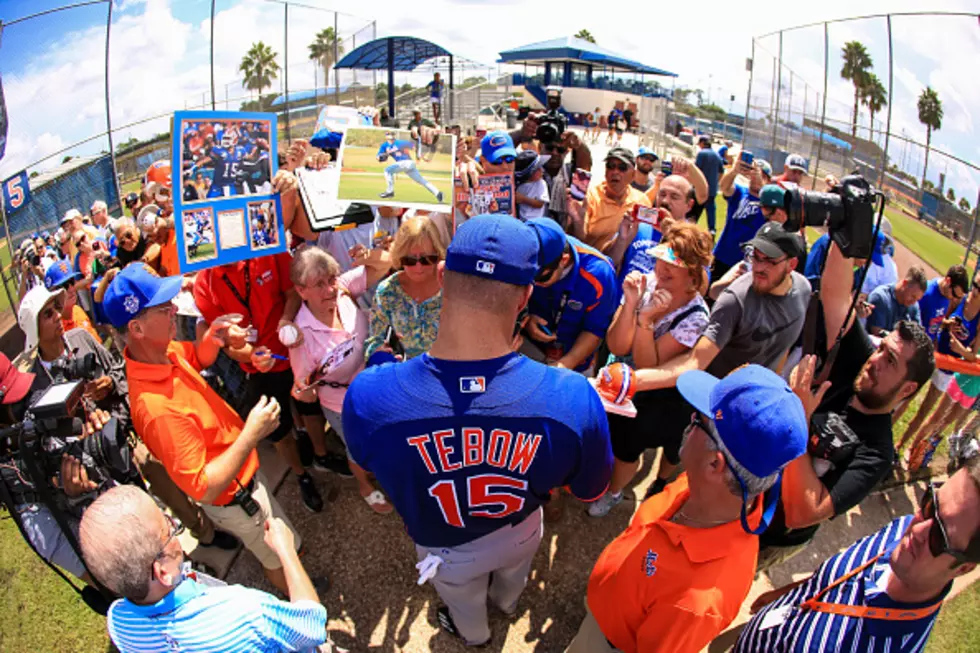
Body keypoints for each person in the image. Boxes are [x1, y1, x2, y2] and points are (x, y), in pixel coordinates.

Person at [343, 215, 613, 647]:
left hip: (445, 544)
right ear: (527, 293)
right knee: (512, 584)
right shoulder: (575, 396)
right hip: (521, 528)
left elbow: (369, 465)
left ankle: (476, 636)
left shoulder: (371, 395)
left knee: (464, 605)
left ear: (444, 274)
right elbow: (590, 488)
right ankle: (507, 607)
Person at [567, 365, 807, 653]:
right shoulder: (703, 486)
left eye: (698, 421)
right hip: (607, 608)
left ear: (715, 464)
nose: (689, 419)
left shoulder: (695, 604)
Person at [104, 264, 308, 595]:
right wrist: (251, 434)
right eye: (162, 308)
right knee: (278, 558)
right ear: (136, 328)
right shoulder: (156, 409)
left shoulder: (161, 352)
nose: (174, 309)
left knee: (282, 545)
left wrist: (212, 336)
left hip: (243, 482)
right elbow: (203, 488)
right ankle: (304, 612)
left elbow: (198, 358)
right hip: (234, 496)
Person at [758, 239, 935, 571]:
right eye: (882, 348)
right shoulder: (861, 363)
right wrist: (849, 226)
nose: (875, 359)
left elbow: (804, 512)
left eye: (890, 360)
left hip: (770, 535)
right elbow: (835, 293)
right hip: (745, 489)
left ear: (907, 388)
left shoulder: (877, 452)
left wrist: (801, 416)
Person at [738, 461, 980, 653]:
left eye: (939, 536)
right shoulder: (900, 531)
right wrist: (785, 594)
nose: (916, 529)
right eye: (930, 503)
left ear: (963, 569)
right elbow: (831, 579)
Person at [79, 486, 334, 653]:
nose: (175, 524)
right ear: (162, 572)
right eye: (169, 530)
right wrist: (286, 551)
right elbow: (311, 625)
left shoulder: (119, 622)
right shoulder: (245, 612)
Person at [590, 224, 713, 516]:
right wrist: (631, 302)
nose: (663, 268)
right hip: (623, 380)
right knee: (606, 432)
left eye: (675, 264)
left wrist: (645, 322)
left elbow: (650, 366)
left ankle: (617, 491)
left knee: (631, 447)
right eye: (663, 259)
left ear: (693, 278)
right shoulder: (644, 283)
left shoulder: (696, 317)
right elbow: (617, 346)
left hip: (658, 394)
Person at [193, 252, 324, 514]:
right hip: (261, 366)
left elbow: (292, 292)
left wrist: (286, 320)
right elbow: (228, 345)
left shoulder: (268, 250)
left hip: (297, 348)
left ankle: (322, 455)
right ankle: (301, 475)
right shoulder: (204, 283)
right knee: (277, 427)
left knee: (312, 406)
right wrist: (251, 355)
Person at [632, 220, 811, 392]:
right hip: (718, 405)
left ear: (791, 265)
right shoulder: (734, 301)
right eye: (755, 257)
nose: (758, 267)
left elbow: (781, 347)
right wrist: (633, 380)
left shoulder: (803, 290)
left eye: (770, 261)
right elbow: (694, 362)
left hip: (758, 401)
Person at [288, 245, 394, 514]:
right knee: (357, 448)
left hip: (376, 386)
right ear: (301, 291)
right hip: (342, 403)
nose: (330, 289)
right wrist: (304, 391)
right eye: (319, 284)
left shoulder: (344, 288)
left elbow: (386, 263)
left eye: (331, 279)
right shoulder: (301, 336)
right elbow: (305, 392)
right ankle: (364, 485)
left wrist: (367, 255)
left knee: (386, 437)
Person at [899, 274, 980, 465]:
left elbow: (973, 353)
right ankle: (900, 444)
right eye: (975, 285)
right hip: (934, 355)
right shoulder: (958, 300)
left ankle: (911, 448)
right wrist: (946, 327)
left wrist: (961, 350)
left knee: (930, 413)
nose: (975, 291)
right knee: (906, 398)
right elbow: (938, 320)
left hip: (951, 369)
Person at [523, 217, 618, 373]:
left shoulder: (599, 274)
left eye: (541, 278)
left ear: (564, 260)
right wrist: (526, 318)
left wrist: (564, 365)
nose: (534, 285)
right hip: (529, 349)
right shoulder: (518, 253)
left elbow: (595, 330)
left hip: (575, 364)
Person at [365, 215, 445, 360]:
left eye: (427, 259)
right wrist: (384, 355)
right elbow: (374, 341)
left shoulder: (452, 288)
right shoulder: (387, 291)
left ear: (438, 254)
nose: (419, 267)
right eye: (410, 260)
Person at [568, 147, 651, 254]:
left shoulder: (642, 201)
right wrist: (577, 222)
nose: (615, 172)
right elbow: (578, 239)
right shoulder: (591, 197)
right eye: (610, 166)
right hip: (594, 265)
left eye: (622, 168)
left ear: (633, 175)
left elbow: (650, 235)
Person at [712, 157, 772, 282]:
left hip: (748, 263)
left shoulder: (769, 202)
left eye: (761, 174)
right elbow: (724, 187)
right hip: (723, 255)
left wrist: (762, 188)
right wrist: (734, 171)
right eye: (754, 172)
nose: (755, 177)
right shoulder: (740, 192)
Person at [539, 130, 592, 229]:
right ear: (540, 147)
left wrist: (579, 145)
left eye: (560, 150)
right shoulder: (529, 170)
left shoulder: (571, 174)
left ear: (567, 151)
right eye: (549, 148)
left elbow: (586, 165)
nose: (554, 153)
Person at [43, 260, 102, 344]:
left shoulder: (77, 310)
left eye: (72, 282)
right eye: (65, 286)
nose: (71, 289)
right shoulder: (57, 329)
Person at [377, 131, 444, 203]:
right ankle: (438, 193)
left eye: (391, 134)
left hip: (408, 162)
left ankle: (390, 191)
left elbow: (414, 147)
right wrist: (381, 158)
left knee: (387, 170)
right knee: (421, 180)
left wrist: (419, 156)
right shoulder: (384, 146)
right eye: (388, 134)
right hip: (405, 165)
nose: (390, 135)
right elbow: (378, 157)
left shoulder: (400, 142)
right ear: (386, 136)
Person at [866, 267, 928, 336]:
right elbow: (877, 332)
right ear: (905, 284)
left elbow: (919, 335)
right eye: (913, 296)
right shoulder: (881, 298)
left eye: (917, 299)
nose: (913, 302)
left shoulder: (914, 306)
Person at [695, 135, 724, 234]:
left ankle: (689, 228)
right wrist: (716, 182)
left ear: (702, 143)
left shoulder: (701, 154)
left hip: (699, 189)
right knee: (711, 210)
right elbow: (721, 172)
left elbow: (696, 170)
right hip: (712, 189)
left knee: (694, 210)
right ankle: (712, 230)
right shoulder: (717, 155)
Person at [514, 150, 551, 220]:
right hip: (523, 221)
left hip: (537, 220)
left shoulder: (541, 183)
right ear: (530, 173)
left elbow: (540, 204)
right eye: (538, 169)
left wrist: (523, 199)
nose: (542, 170)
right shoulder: (520, 186)